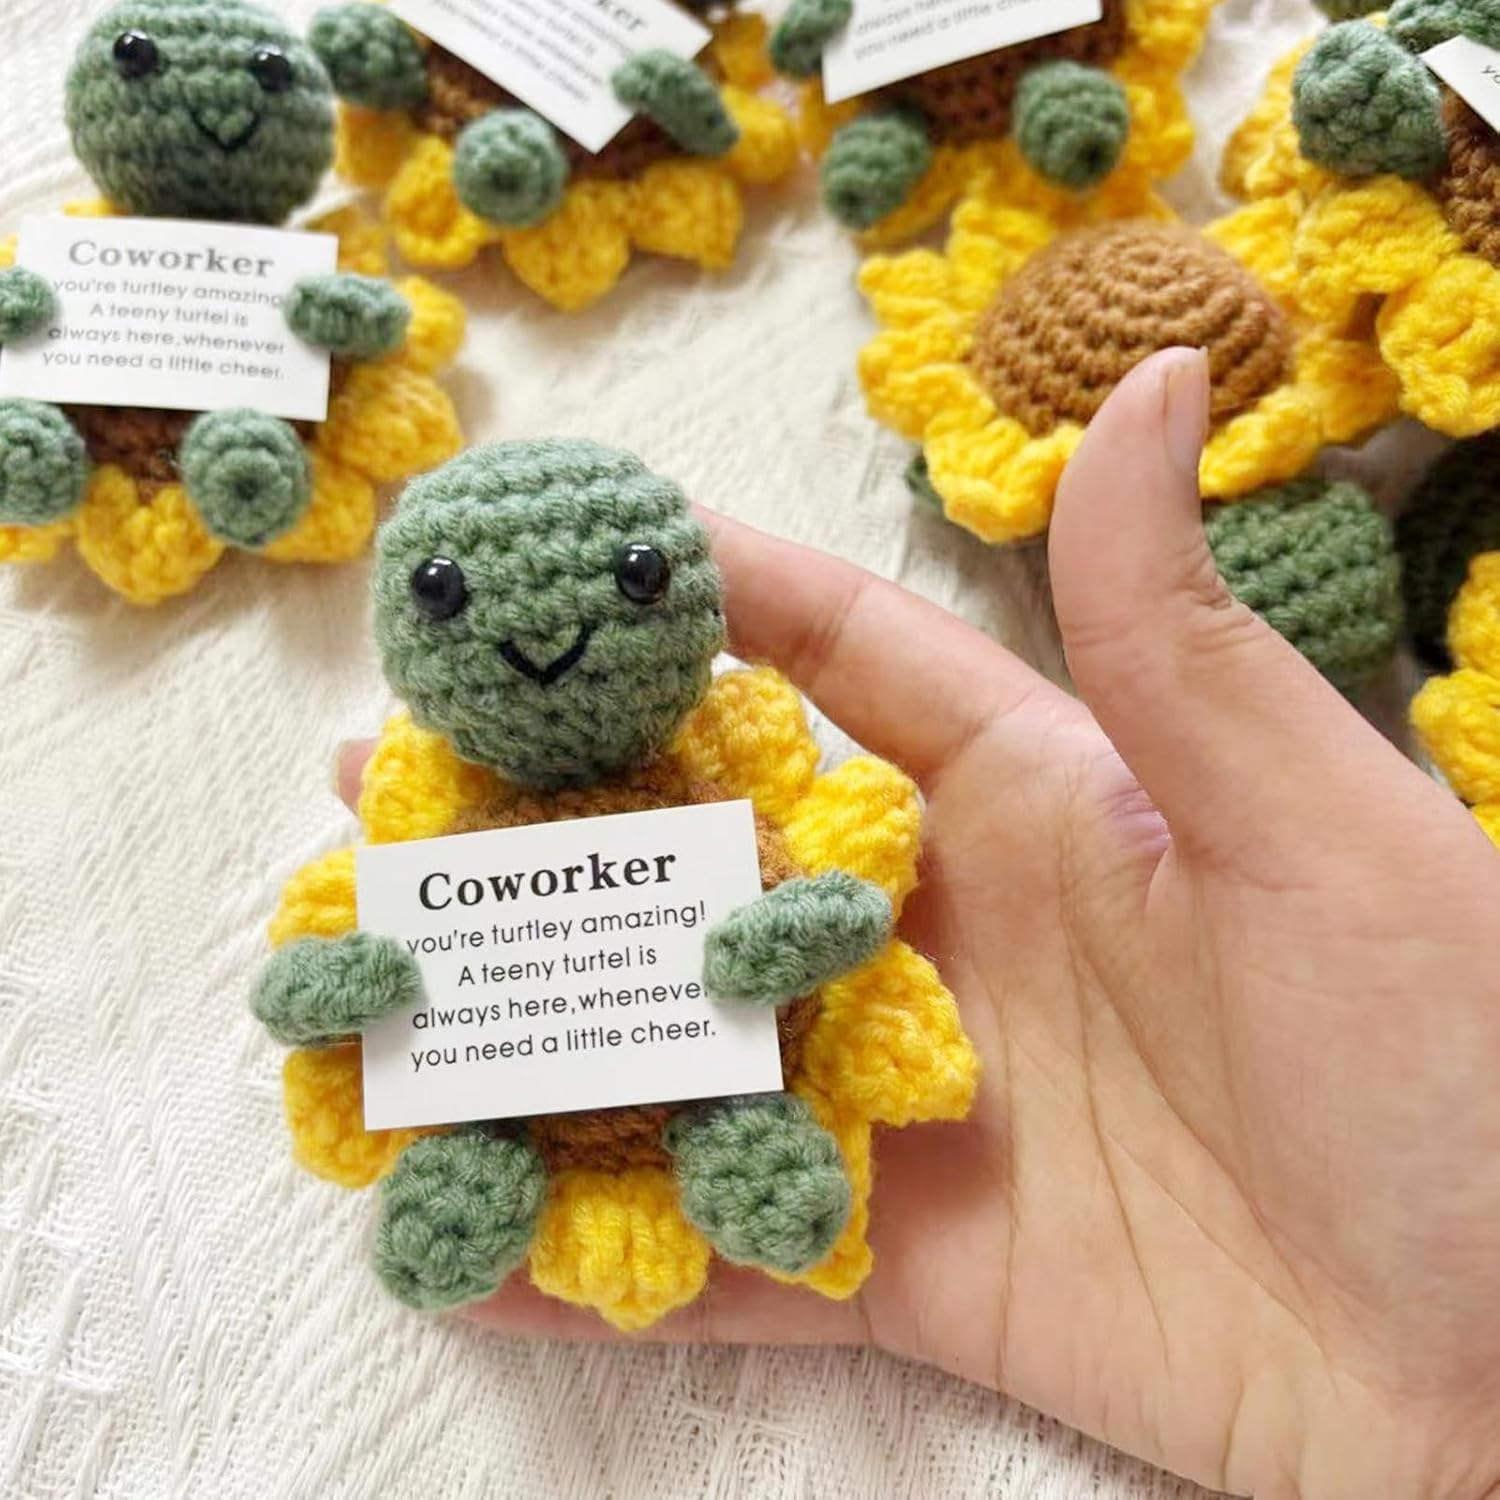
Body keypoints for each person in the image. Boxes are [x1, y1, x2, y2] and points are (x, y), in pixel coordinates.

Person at [336, 351, 1500, 1500]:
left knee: (757, 1134)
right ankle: (493, 1156)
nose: (543, 635)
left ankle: (732, 1141)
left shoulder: (729, 818)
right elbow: (347, 972)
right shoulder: (442, 836)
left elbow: (832, 910)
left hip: (744, 1069)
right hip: (518, 1082)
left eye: (639, 573)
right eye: (441, 591)